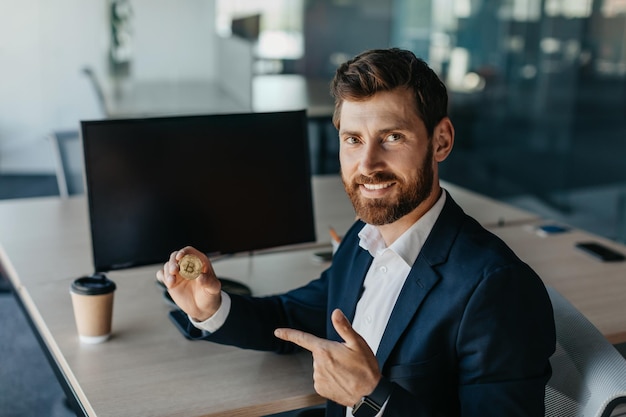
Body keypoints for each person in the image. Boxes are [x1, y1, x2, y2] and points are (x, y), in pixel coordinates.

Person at [157, 48, 555, 417]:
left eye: (392, 137)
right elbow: (294, 317)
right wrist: (210, 309)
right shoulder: (364, 239)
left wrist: (375, 398)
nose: (367, 164)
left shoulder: (498, 288)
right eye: (353, 140)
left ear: (441, 141)